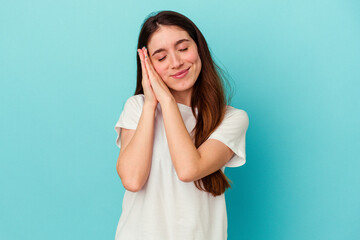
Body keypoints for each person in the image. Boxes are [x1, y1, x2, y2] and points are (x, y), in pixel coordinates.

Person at [114, 10, 249, 240]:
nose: (176, 63)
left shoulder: (230, 119)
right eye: (161, 57)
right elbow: (132, 180)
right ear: (148, 66)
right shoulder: (137, 108)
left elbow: (188, 169)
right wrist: (151, 104)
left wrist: (166, 101)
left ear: (199, 48)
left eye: (183, 48)